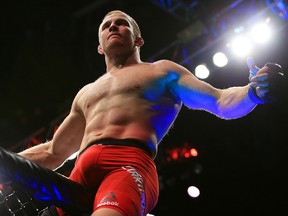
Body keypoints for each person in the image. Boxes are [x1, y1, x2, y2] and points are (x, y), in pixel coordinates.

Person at [17, 10, 284, 216]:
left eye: (122, 23)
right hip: (80, 174)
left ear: (138, 39)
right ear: (99, 46)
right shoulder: (86, 92)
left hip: (127, 165)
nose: (113, 26)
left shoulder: (161, 71)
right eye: (106, 25)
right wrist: (7, 162)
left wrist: (253, 92)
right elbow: (54, 152)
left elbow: (220, 101)